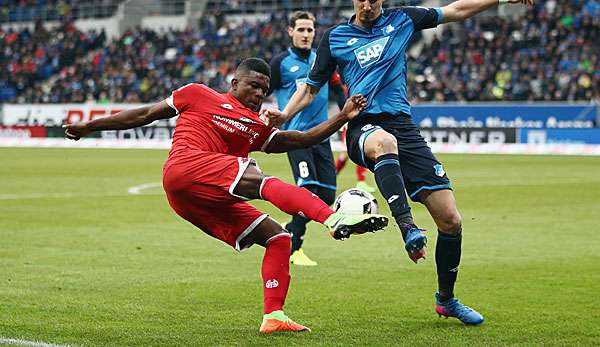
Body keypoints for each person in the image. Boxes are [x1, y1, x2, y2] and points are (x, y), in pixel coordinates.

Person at [64, 58, 388, 333]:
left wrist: (342, 117)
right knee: (261, 179)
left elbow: (300, 139)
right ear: (234, 83)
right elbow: (144, 115)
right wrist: (89, 127)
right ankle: (333, 219)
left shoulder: (256, 125)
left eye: (265, 90)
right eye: (254, 85)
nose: (259, 93)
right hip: (186, 166)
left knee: (278, 238)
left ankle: (273, 316)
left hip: (198, 199)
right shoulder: (197, 94)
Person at [264, 0, 534, 326]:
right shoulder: (336, 37)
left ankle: (446, 299)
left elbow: (456, 10)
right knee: (383, 142)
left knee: (451, 220)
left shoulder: (403, 19)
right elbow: (309, 89)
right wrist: (284, 115)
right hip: (362, 123)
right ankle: (408, 227)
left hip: (404, 126)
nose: (367, 4)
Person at [269, 11, 350, 266]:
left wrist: (350, 113)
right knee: (308, 189)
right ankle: (294, 247)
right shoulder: (280, 63)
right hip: (294, 136)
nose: (306, 35)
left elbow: (338, 90)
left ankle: (291, 224)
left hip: (320, 135)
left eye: (310, 30)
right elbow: (262, 91)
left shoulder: (322, 60)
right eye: (301, 30)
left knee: (326, 196)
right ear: (290, 31)